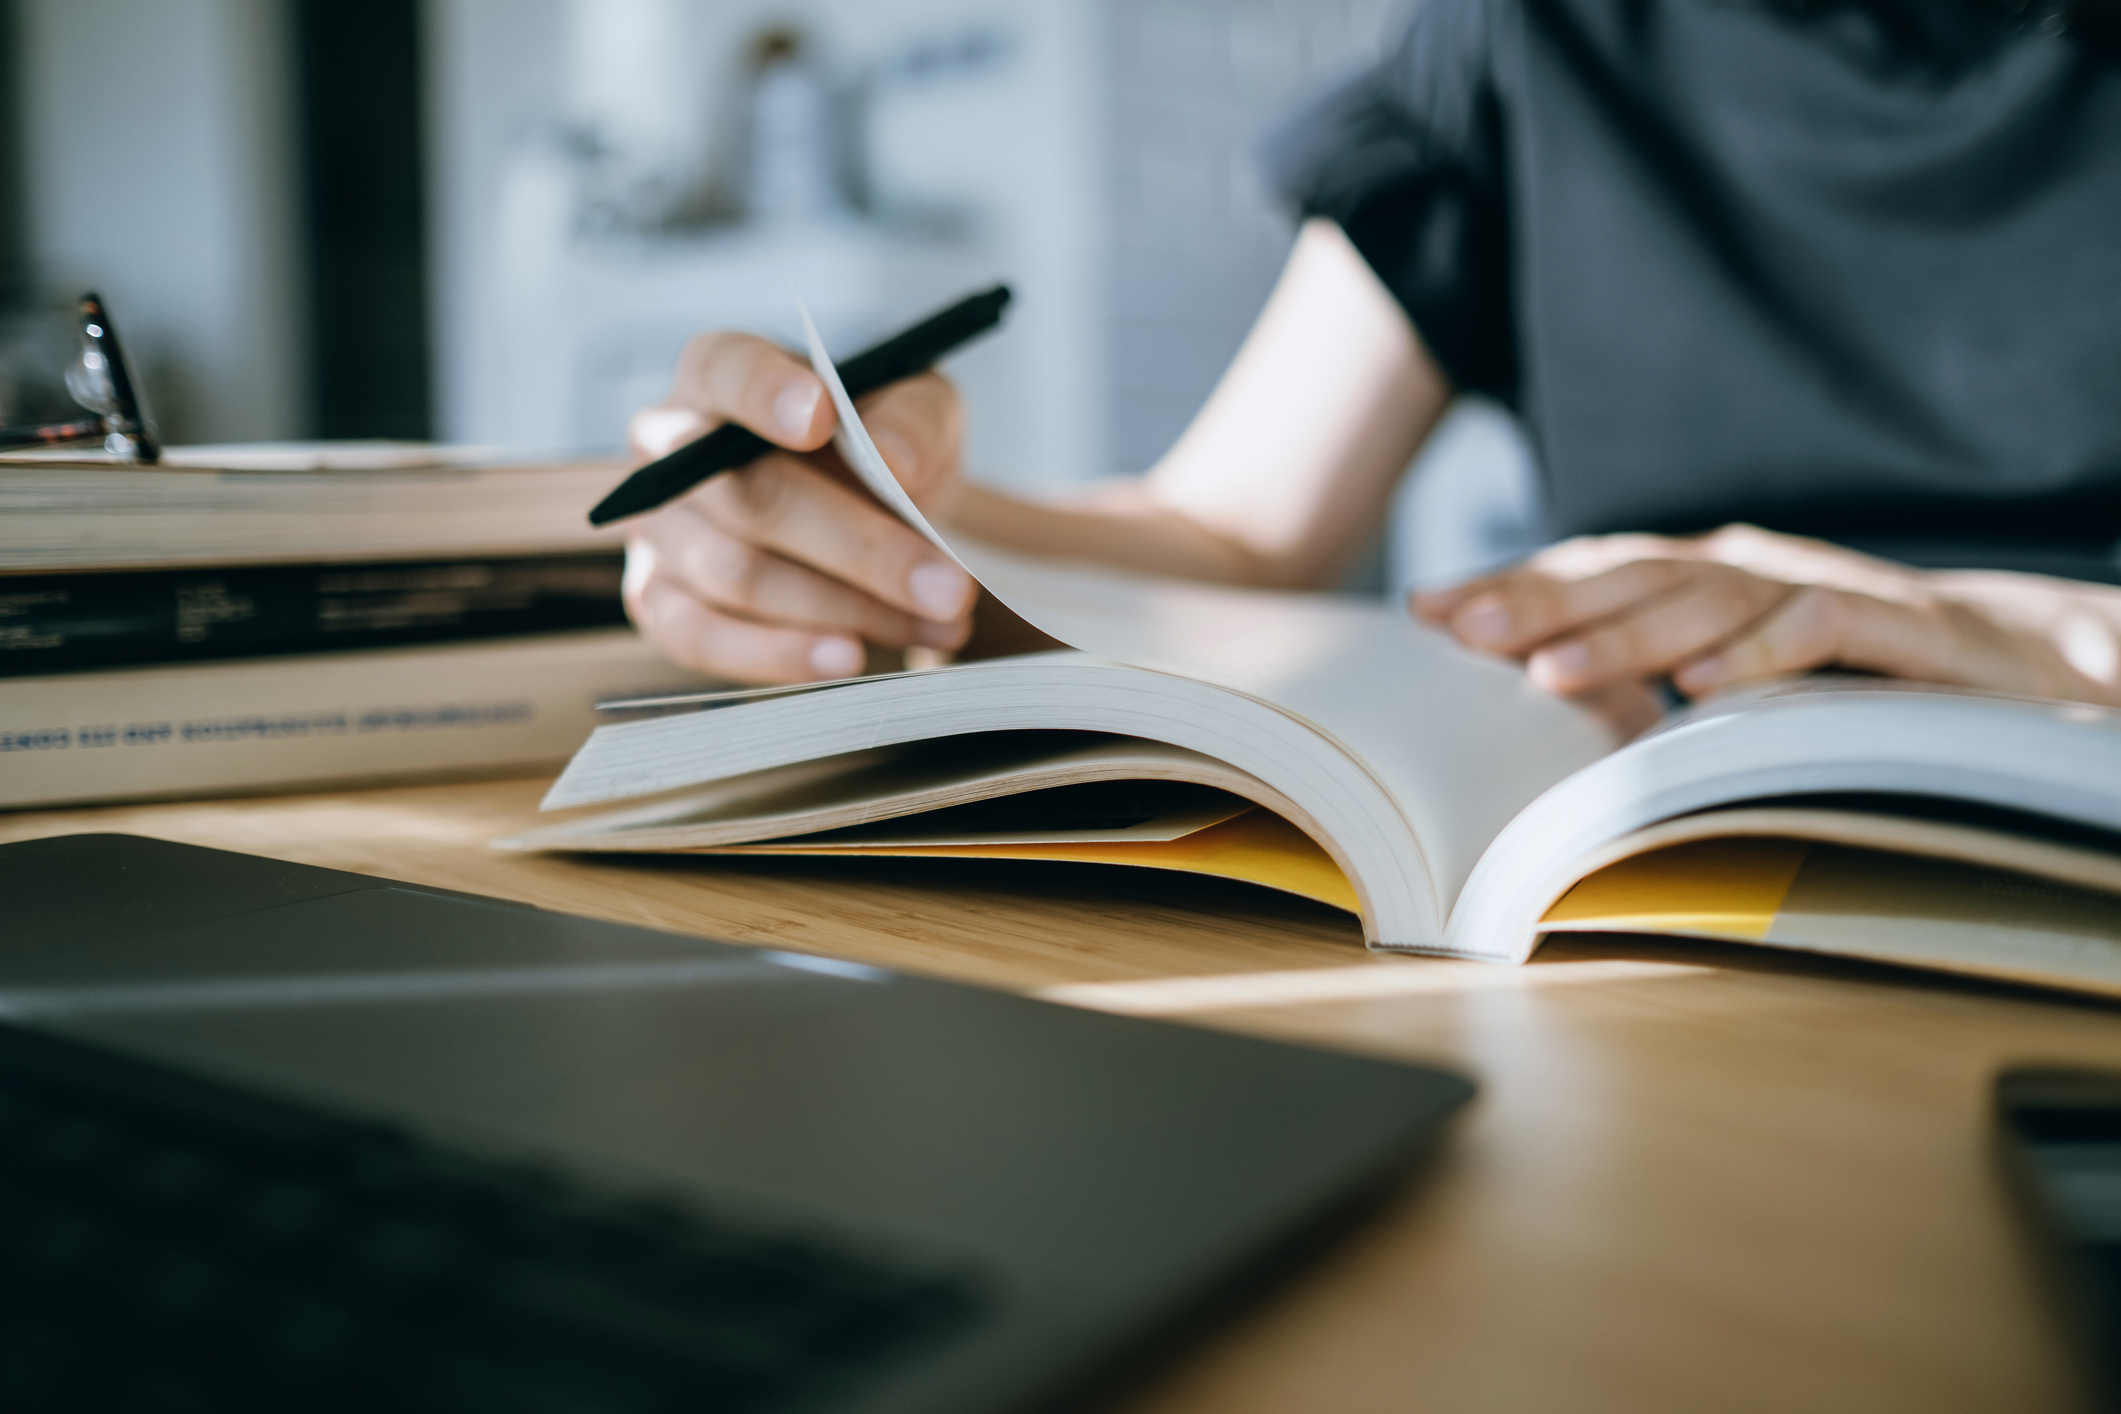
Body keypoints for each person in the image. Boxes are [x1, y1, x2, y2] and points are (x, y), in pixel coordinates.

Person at [619, 0, 2121, 737]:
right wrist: (857, 511)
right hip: (1680, 901)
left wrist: (2043, 642)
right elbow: (1236, 532)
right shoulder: (1541, 38)